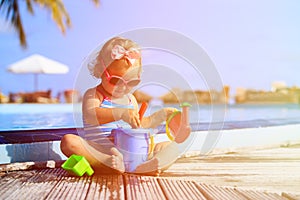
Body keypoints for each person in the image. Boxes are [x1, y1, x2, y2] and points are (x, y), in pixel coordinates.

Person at [60, 37, 180, 174]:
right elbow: (91, 115)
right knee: (69, 141)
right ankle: (107, 162)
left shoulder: (131, 99)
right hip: (101, 149)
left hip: (134, 150)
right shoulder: (94, 94)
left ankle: (152, 165)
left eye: (132, 82)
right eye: (116, 80)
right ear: (101, 71)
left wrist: (161, 115)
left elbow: (139, 124)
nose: (123, 87)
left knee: (171, 147)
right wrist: (120, 113)